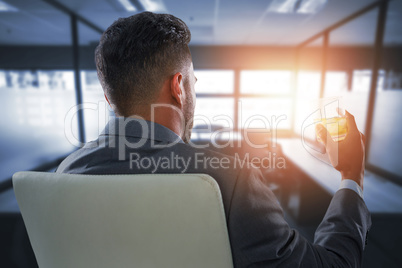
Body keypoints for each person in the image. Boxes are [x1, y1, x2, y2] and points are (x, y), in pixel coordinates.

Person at [57, 12, 371, 267]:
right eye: (193, 81)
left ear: (108, 96)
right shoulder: (228, 181)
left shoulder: (67, 175)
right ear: (178, 87)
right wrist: (350, 176)